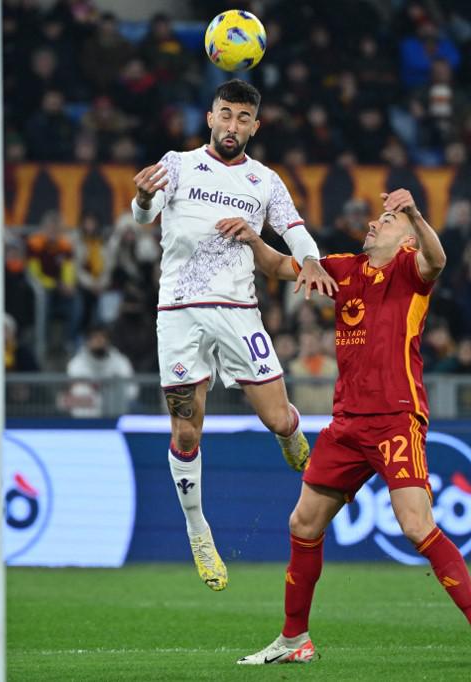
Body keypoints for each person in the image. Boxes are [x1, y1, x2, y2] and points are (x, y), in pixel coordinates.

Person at [221, 189, 471, 668]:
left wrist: (415, 213)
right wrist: (253, 237)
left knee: (417, 525)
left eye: (387, 221)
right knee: (303, 523)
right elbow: (278, 268)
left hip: (396, 418)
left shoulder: (411, 270)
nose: (374, 224)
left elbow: (438, 260)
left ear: (407, 241)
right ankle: (295, 640)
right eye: (378, 218)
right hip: (347, 423)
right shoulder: (343, 269)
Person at [130, 78, 337, 591]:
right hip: (178, 311)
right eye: (225, 114)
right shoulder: (177, 164)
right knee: (185, 430)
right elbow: (143, 217)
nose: (232, 125)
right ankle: (198, 529)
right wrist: (139, 198)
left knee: (278, 418)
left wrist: (310, 260)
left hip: (239, 311)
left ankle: (292, 436)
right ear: (210, 116)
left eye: (243, 118)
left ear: (255, 126)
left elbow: (293, 230)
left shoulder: (264, 181)